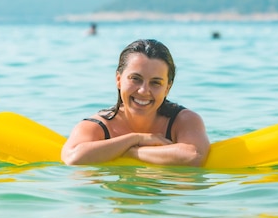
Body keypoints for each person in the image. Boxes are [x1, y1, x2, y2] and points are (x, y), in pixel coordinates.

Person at [62, 39, 210, 167]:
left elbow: (193, 156)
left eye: (155, 83)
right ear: (118, 79)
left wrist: (131, 152)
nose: (143, 91)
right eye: (135, 79)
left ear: (167, 88)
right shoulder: (98, 125)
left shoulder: (183, 120)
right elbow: (73, 157)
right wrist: (136, 138)